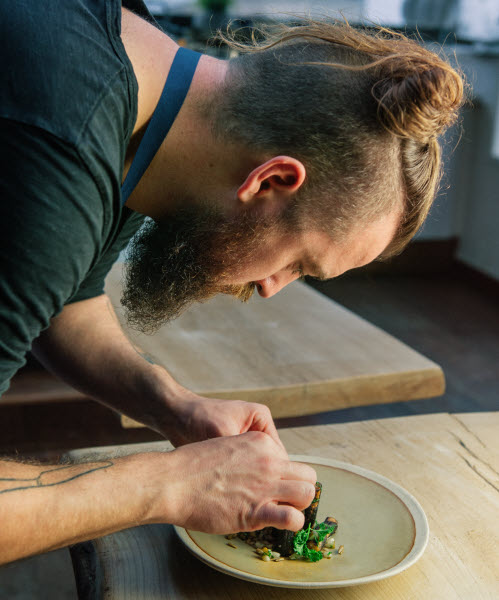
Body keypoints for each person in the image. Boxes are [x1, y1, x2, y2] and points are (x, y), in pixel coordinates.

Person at [0, 0, 464, 564]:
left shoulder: (135, 87)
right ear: (270, 179)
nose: (272, 287)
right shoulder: (57, 148)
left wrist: (173, 407)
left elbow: (64, 300)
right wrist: (170, 484)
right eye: (298, 263)